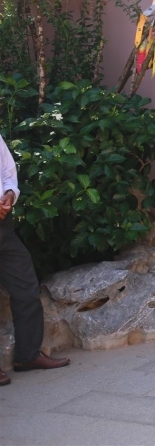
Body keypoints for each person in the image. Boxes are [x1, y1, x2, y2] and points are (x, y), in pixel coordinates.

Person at [0, 134, 70, 386]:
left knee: (26, 287)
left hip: (4, 228)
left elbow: (7, 171)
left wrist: (10, 194)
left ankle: (27, 356)